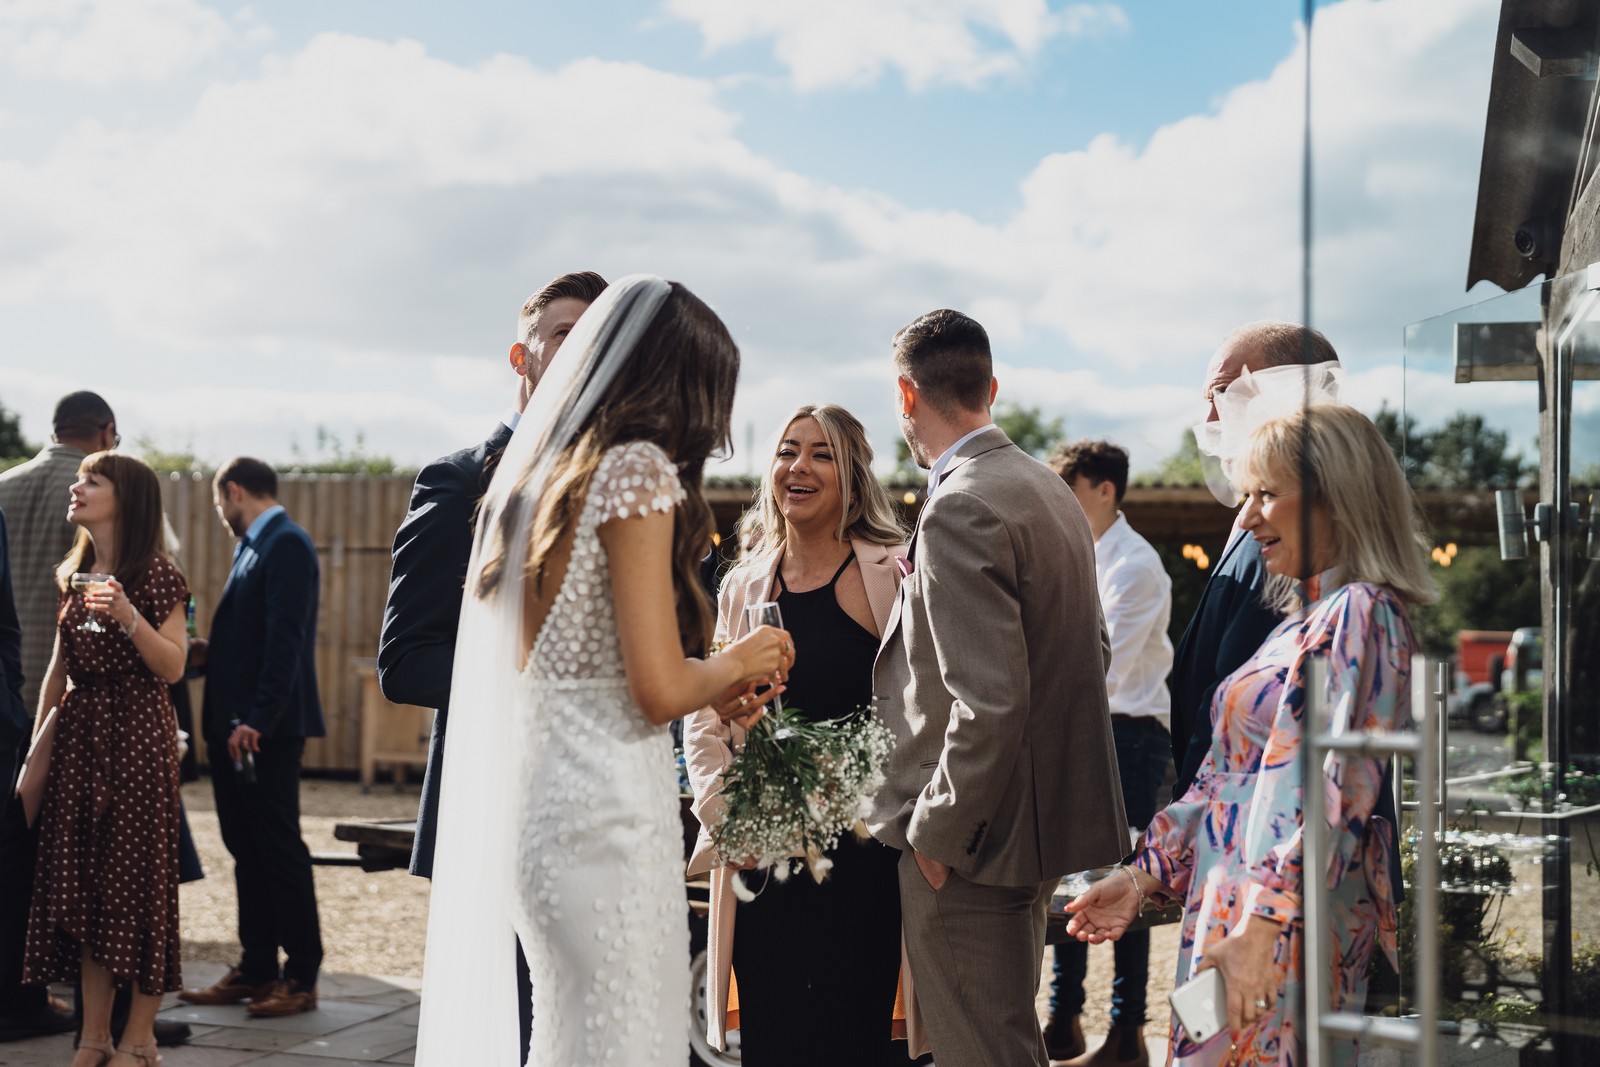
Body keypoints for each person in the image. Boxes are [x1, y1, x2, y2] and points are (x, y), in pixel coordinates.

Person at [414, 275, 794, 1067]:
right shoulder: (636, 473)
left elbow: (568, 669)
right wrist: (739, 660)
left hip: (547, 812)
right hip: (607, 821)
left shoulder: (531, 484)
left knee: (570, 1041)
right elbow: (656, 690)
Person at [1066, 404, 1436, 1067]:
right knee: (1199, 1054)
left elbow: (1329, 794)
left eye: (1266, 493)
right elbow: (1221, 781)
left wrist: (1262, 929)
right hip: (1228, 919)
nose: (1245, 517)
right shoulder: (1299, 620)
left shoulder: (1365, 612)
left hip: (1276, 932)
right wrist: (1138, 875)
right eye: (1246, 495)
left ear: (1337, 496)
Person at [867, 309, 1130, 1067]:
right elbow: (1093, 650)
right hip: (1029, 832)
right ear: (990, 385)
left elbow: (989, 700)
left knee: (978, 1049)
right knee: (1008, 1040)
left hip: (972, 841)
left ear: (906, 396)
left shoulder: (961, 504)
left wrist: (938, 838)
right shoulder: (1048, 491)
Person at [379, 268, 604, 1060]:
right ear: (523, 355)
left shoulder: (624, 485)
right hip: (494, 808)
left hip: (601, 807)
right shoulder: (460, 478)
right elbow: (405, 661)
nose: (582, 351)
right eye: (563, 334)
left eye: (596, 335)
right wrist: (555, 684)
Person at [684, 404, 915, 1064]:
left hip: (868, 858)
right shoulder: (742, 583)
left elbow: (922, 707)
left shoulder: (893, 573)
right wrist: (730, 820)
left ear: (852, 477)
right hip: (768, 854)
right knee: (775, 1037)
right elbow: (705, 716)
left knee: (861, 1039)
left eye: (822, 454)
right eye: (788, 451)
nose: (800, 466)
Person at [22, 452, 190, 1067]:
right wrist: (36, 748)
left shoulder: (158, 576)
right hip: (80, 738)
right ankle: (95, 1037)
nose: (77, 486)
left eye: (92, 479)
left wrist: (128, 617)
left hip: (137, 741)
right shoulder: (76, 572)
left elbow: (173, 666)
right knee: (89, 887)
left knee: (137, 887)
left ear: (128, 498)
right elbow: (56, 671)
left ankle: (139, 1040)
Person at [178, 458, 325, 1018]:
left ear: (234, 490)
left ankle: (302, 975)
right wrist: (209, 653)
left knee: (279, 849)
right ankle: (258, 966)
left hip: (263, 731)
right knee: (245, 848)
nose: (221, 514)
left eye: (220, 504)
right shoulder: (254, 546)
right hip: (236, 726)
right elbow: (256, 636)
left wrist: (259, 719)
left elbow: (286, 642)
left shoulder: (286, 542)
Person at [1043, 439, 1173, 1067]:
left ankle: (1127, 1034)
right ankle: (1063, 1020)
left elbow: (1101, 661)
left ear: (1104, 489)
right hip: (1080, 725)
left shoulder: (1137, 565)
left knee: (1128, 878)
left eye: (1068, 486)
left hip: (1130, 735)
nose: (1057, 500)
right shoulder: (1079, 554)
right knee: (1069, 872)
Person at [1169, 322, 1339, 798]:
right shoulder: (1268, 521)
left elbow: (1249, 722)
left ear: (1286, 390)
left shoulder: (1305, 536)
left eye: (1222, 393)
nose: (1208, 421)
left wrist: (1171, 852)